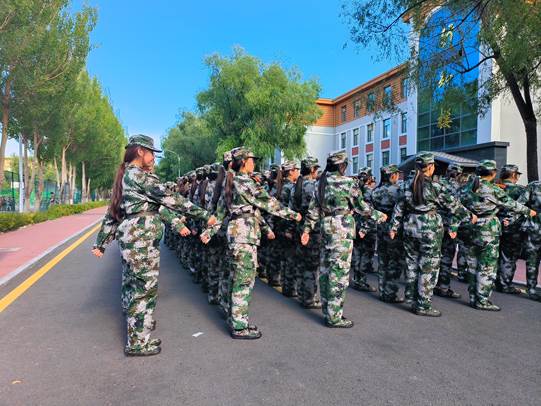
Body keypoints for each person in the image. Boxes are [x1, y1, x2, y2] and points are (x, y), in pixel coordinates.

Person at [92, 134, 216, 356]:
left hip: (133, 238)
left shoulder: (127, 176)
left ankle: (138, 331)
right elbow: (172, 199)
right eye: (151, 153)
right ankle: (137, 343)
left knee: (133, 286)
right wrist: (205, 215)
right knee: (143, 289)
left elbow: (113, 212)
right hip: (141, 240)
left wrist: (101, 242)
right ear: (140, 151)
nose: (153, 157)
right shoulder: (139, 176)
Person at [207, 147, 301, 339]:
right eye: (252, 159)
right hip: (245, 236)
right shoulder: (245, 182)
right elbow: (269, 203)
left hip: (235, 234)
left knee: (235, 277)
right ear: (243, 162)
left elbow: (220, 212)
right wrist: (293, 215)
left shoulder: (229, 181)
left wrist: (209, 232)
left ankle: (235, 319)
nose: (254, 163)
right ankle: (239, 327)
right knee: (244, 280)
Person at [301, 151, 387, 328]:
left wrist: (307, 230)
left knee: (326, 271)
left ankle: (328, 311)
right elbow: (361, 206)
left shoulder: (320, 183)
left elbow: (313, 210)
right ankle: (334, 317)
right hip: (342, 229)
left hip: (326, 227)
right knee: (339, 273)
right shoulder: (348, 183)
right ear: (342, 166)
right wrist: (379, 215)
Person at [390, 152, 474, 317]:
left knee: (411, 265)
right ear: (430, 167)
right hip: (430, 229)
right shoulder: (436, 187)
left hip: (410, 226)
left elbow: (398, 208)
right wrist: (470, 216)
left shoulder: (406, 185)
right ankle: (423, 305)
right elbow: (453, 206)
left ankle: (411, 298)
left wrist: (393, 227)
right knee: (428, 267)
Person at [460, 160, 534, 311]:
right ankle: (482, 300)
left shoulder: (467, 188)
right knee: (487, 267)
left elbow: (455, 205)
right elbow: (512, 204)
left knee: (473, 265)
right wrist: (529, 211)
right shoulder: (492, 189)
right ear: (493, 173)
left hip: (470, 228)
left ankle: (473, 297)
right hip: (488, 230)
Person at [290, 156, 322, 308]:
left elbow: (291, 210)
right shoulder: (314, 186)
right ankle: (309, 298)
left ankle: (302, 293)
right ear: (312, 169)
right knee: (311, 265)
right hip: (312, 229)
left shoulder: (295, 186)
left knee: (301, 263)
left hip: (298, 226)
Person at [371, 164, 406, 303]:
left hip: (381, 227)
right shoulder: (398, 190)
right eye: (396, 174)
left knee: (382, 260)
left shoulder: (375, 191)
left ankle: (382, 290)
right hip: (394, 229)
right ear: (392, 175)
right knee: (395, 261)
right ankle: (390, 293)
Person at [435, 163, 468, 299]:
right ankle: (443, 287)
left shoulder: (437, 184)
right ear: (459, 174)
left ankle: (432, 284)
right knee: (447, 257)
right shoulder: (458, 188)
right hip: (449, 227)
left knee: (434, 256)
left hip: (435, 225)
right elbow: (457, 210)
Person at [495, 164, 526, 294]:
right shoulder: (520, 190)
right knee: (509, 257)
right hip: (513, 229)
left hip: (494, 226)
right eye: (517, 174)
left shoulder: (495, 188)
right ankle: (504, 284)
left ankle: (491, 281)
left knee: (494, 255)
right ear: (513, 175)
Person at [351, 167, 378, 292]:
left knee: (357, 253)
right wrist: (365, 228)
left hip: (355, 224)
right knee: (366, 255)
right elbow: (370, 212)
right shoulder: (369, 191)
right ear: (370, 178)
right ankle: (361, 281)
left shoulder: (356, 190)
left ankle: (356, 279)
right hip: (366, 228)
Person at [518, 180, 541, 301]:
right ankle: (531, 289)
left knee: (532, 259)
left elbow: (520, 204)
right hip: (534, 228)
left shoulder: (534, 186)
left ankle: (531, 289)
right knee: (532, 259)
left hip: (534, 227)